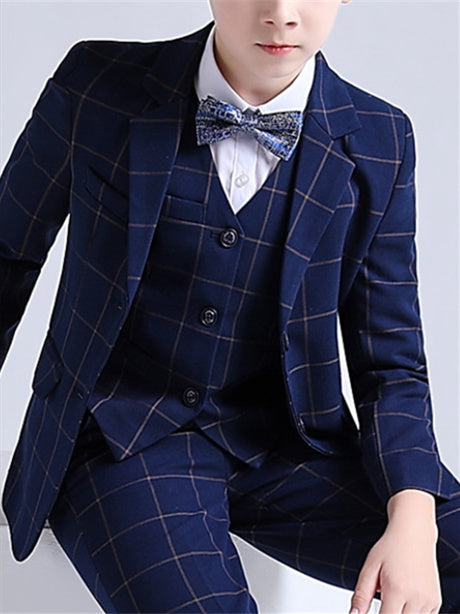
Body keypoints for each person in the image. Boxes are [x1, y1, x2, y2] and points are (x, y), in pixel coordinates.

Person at [1, 0, 459, 612]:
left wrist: (413, 519)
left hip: (293, 449)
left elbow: (391, 364)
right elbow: (8, 256)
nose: (282, 14)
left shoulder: (381, 138)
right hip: (121, 441)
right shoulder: (98, 85)